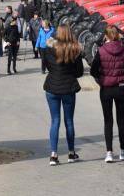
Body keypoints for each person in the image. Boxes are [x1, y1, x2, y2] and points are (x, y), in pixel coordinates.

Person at [90, 25, 124, 163]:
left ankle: (109, 152)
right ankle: (123, 150)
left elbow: (93, 70)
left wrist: (101, 79)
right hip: (120, 87)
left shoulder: (101, 51)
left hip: (106, 88)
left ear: (106, 36)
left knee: (108, 120)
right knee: (121, 120)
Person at [42, 25, 84, 165]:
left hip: (52, 86)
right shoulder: (74, 50)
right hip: (68, 87)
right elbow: (79, 72)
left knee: (55, 121)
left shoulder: (49, 48)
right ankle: (71, 153)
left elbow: (47, 66)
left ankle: (53, 155)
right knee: (69, 121)